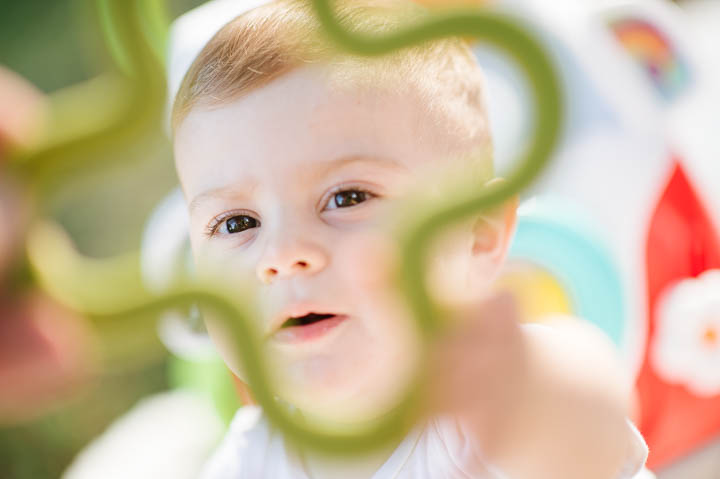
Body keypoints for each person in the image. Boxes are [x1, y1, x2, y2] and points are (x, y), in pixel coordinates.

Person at [169, 1, 651, 477]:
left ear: (478, 233)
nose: (283, 255)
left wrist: (529, 392)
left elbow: (587, 428)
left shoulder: (487, 409)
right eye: (236, 224)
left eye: (347, 197)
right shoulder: (249, 458)